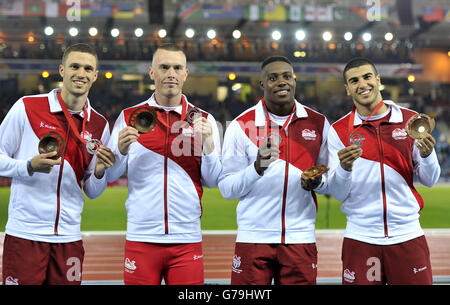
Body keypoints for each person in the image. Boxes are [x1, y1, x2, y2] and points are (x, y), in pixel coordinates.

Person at [106, 43, 222, 285]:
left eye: (177, 67)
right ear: (151, 72)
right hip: (141, 237)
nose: (171, 73)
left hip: (186, 238)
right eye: (164, 67)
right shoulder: (129, 117)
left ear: (185, 74)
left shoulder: (204, 120)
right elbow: (110, 175)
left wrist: (209, 143)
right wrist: (121, 149)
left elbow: (212, 181)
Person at [0, 43, 115, 285]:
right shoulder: (28, 107)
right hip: (26, 234)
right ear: (62, 69)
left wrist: (99, 173)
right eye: (74, 66)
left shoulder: (99, 125)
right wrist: (28, 166)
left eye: (87, 68)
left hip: (69, 238)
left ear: (95, 75)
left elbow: (93, 192)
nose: (80, 74)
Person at [218, 55, 331, 285]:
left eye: (287, 76)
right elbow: (226, 189)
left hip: (300, 239)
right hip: (253, 239)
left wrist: (318, 182)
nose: (282, 82)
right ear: (262, 84)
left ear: (295, 81)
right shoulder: (241, 125)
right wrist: (257, 167)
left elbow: (333, 181)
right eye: (273, 78)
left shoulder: (318, 123)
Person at [327, 57, 441, 285]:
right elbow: (338, 193)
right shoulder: (338, 130)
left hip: (407, 236)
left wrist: (428, 156)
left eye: (367, 77)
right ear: (347, 89)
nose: (362, 84)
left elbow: (430, 180)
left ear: (378, 80)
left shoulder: (410, 121)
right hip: (361, 239)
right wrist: (344, 168)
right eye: (354, 80)